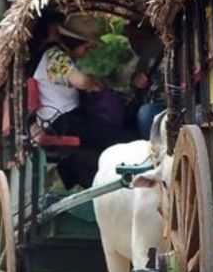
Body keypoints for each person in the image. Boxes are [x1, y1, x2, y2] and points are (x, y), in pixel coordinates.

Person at [33, 14, 138, 187]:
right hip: (65, 123)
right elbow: (80, 81)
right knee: (130, 140)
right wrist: (92, 85)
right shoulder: (55, 55)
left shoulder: (50, 56)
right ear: (70, 40)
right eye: (84, 43)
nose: (88, 48)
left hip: (66, 122)